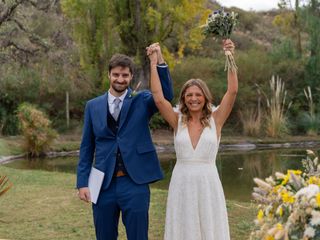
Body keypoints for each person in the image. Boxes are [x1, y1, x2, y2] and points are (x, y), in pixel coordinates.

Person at [77, 44, 173, 240]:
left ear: (131, 77)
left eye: (125, 75)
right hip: (102, 184)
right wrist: (82, 183)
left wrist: (159, 61)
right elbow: (87, 148)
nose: (120, 79)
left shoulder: (143, 100)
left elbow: (166, 96)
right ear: (109, 75)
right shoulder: (92, 106)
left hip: (134, 182)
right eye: (116, 75)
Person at [148, 39, 237, 240]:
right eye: (189, 95)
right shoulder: (177, 119)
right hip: (182, 182)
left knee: (209, 227)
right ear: (183, 98)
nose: (193, 98)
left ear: (205, 97)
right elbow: (158, 98)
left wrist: (230, 57)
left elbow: (232, 92)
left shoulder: (217, 118)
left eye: (198, 94)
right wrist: (153, 64)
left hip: (208, 182)